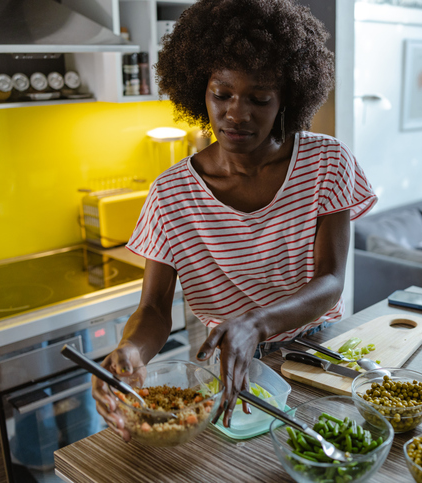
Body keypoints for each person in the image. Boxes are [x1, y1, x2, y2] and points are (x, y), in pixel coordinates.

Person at [91, 0, 376, 439]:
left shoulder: (326, 163)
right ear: (198, 91)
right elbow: (152, 309)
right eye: (221, 94)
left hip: (317, 350)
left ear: (286, 98)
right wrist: (131, 350)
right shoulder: (172, 194)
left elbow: (331, 280)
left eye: (259, 99)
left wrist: (255, 323)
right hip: (224, 362)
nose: (237, 113)